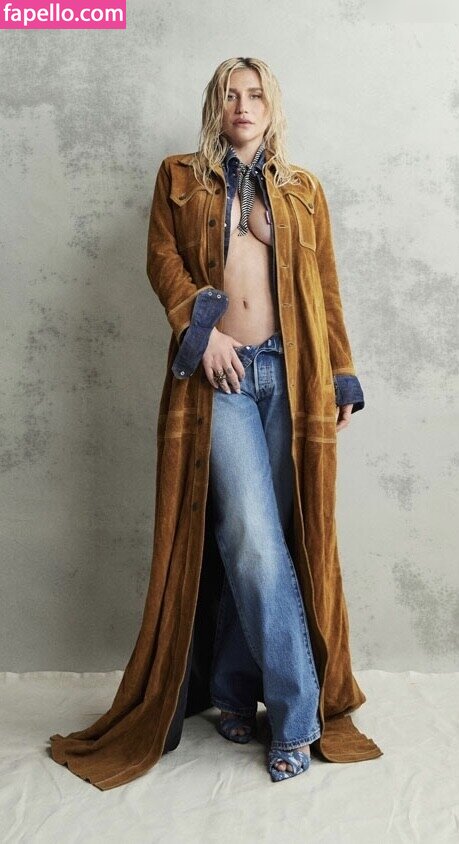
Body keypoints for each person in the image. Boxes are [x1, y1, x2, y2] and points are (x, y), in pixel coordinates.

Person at [49, 56, 382, 791]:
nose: (242, 105)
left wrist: (340, 373)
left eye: (255, 94)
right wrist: (200, 334)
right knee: (250, 538)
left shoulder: (302, 190)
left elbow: (324, 287)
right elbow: (163, 261)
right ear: (215, 105)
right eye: (230, 94)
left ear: (271, 106)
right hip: (219, 378)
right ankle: (296, 719)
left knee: (267, 537)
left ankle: (233, 692)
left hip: (289, 378)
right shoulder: (179, 178)